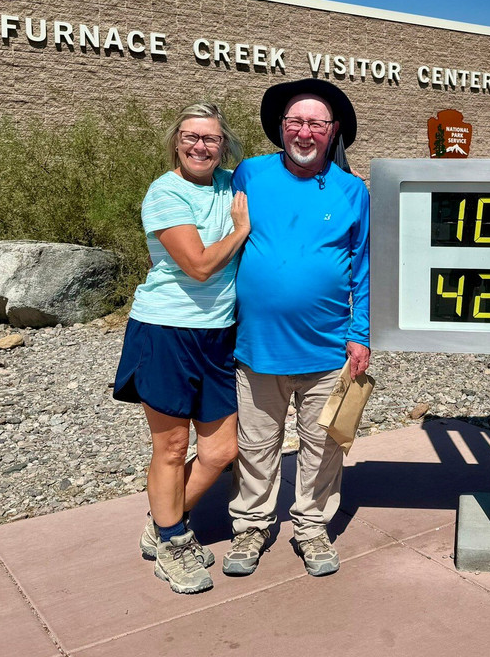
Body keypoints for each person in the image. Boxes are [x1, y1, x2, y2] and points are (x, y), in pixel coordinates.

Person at [222, 78, 369, 579]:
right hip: (257, 345)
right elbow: (221, 237)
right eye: (295, 122)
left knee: (323, 445)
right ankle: (251, 526)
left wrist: (361, 332)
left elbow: (362, 266)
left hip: (329, 348)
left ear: (333, 133)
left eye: (316, 124)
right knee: (257, 444)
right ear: (282, 129)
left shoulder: (353, 191)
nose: (304, 133)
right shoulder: (249, 174)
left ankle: (311, 526)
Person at [113, 103, 249, 594]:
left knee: (221, 450)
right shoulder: (164, 192)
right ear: (176, 141)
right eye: (191, 137)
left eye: (210, 138)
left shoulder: (233, 183)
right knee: (170, 447)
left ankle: (163, 521)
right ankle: (172, 541)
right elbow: (197, 265)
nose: (200, 146)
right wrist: (240, 231)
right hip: (166, 330)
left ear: (224, 145)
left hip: (218, 333)